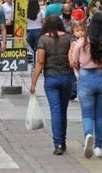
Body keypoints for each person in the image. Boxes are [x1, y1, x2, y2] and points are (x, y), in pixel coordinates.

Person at [72, 12, 102, 158]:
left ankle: (88, 135)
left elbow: (74, 61)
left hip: (86, 78)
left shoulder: (83, 42)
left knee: (87, 113)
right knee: (99, 115)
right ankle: (98, 147)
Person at [30, 15, 73, 155]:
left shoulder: (43, 39)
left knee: (55, 110)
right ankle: (64, 140)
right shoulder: (68, 37)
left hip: (51, 79)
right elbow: (72, 58)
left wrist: (33, 82)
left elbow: (40, 63)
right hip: (66, 77)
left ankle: (58, 143)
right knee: (63, 110)